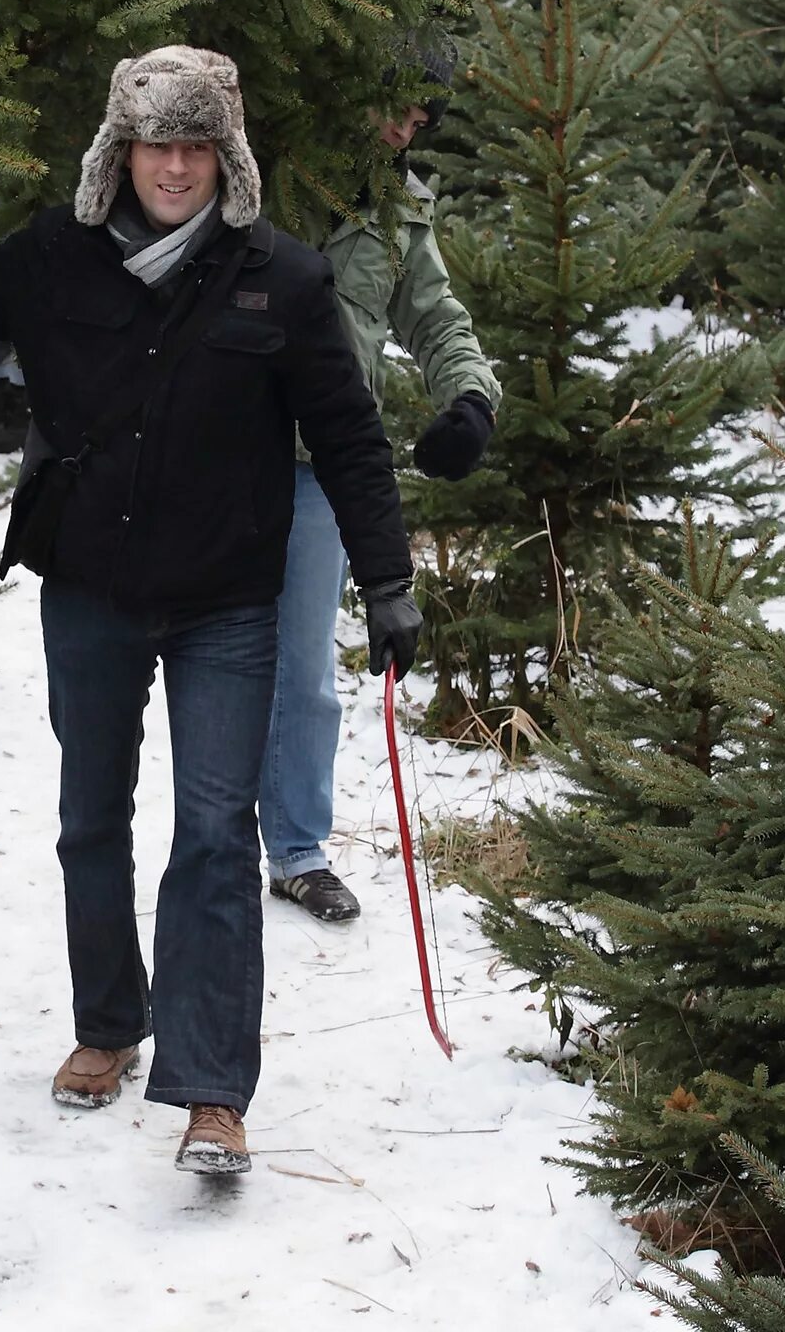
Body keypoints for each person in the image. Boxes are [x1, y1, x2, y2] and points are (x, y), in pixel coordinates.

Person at [0, 45, 421, 1178]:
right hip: (90, 587)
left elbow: (349, 436)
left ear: (226, 155)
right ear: (117, 151)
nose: (174, 167)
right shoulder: (53, 258)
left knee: (218, 835)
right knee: (90, 815)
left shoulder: (283, 277)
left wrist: (386, 578)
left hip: (228, 600)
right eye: (154, 143)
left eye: (195, 145)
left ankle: (213, 1090)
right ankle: (109, 1021)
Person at [263, 64, 499, 925]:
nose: (405, 130)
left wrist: (470, 400)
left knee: (305, 669)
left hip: (322, 465)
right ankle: (193, 838)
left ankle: (295, 849)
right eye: (391, 107)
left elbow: (435, 318)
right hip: (216, 455)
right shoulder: (267, 166)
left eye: (419, 118)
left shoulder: (402, 208)